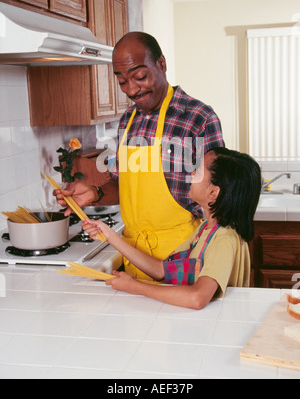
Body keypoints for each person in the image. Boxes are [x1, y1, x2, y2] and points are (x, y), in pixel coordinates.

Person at [54, 32, 224, 279]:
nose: (131, 89)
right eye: (122, 81)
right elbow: (123, 183)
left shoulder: (198, 118)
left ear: (162, 65)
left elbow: (220, 199)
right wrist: (95, 193)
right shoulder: (127, 121)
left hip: (183, 259)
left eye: (140, 77)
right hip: (134, 258)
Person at [82, 148, 261, 310]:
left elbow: (197, 298)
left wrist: (135, 287)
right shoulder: (205, 230)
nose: (191, 173)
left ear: (213, 193)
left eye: (198, 171)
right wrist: (110, 236)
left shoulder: (224, 239)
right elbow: (161, 270)